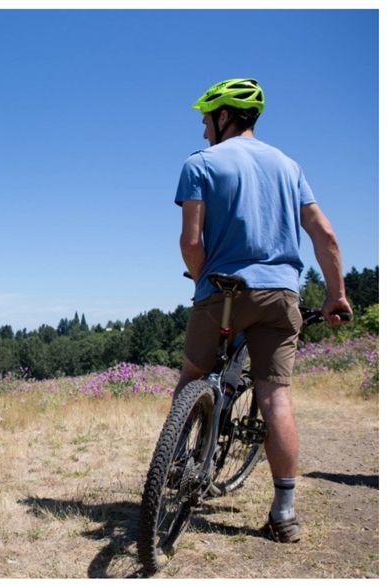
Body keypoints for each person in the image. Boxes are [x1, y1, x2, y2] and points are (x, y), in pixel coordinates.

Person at [174, 78, 351, 543]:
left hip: (222, 290)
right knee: (275, 397)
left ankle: (176, 467)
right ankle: (284, 512)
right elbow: (325, 235)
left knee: (193, 377)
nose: (202, 128)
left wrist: (201, 281)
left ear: (224, 116)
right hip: (279, 294)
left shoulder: (201, 164)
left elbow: (191, 242)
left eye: (206, 118)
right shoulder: (289, 166)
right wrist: (336, 295)